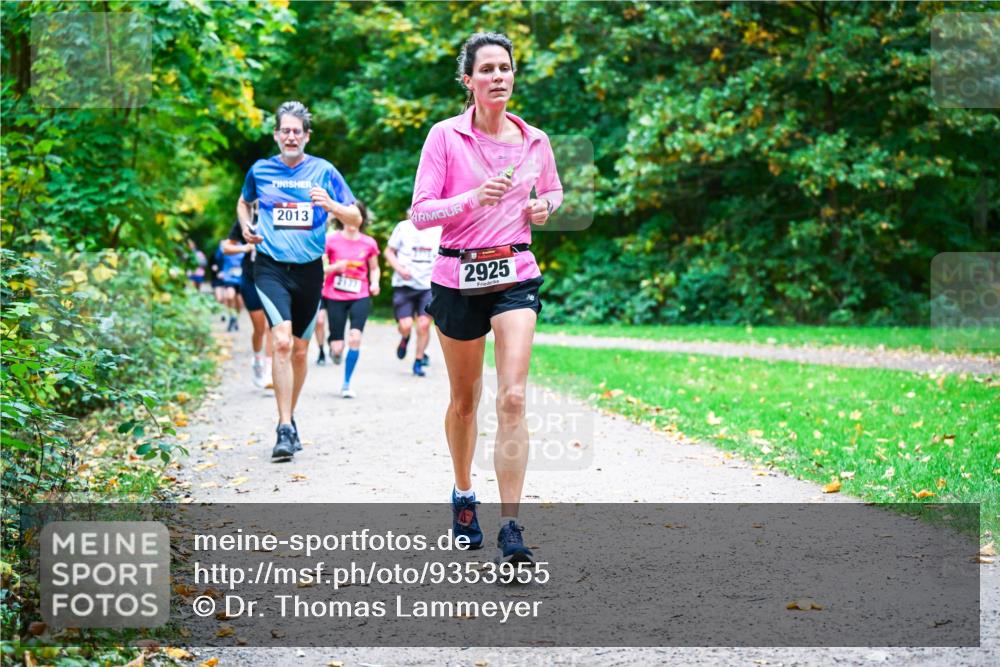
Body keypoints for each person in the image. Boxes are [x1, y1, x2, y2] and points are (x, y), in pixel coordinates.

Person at [410, 33, 562, 564]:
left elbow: (553, 190)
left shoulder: (535, 140)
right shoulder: (444, 136)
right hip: (457, 276)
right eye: (487, 69)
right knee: (465, 400)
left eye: (505, 68)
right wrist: (472, 198)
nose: (498, 76)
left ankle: (511, 526)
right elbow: (421, 213)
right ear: (469, 80)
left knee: (513, 397)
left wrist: (545, 208)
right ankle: (463, 493)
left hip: (515, 271)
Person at [236, 100, 362, 462]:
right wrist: (246, 226)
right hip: (270, 267)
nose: (291, 137)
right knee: (281, 341)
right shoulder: (260, 170)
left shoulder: (324, 171)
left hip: (309, 270)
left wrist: (332, 206)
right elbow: (244, 203)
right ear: (276, 135)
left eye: (297, 131)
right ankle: (284, 427)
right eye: (285, 131)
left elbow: (355, 217)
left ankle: (290, 416)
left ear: (307, 136)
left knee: (301, 350)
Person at [322, 200, 380, 398]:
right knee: (338, 347)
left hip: (360, 295)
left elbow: (374, 268)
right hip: (334, 295)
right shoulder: (330, 240)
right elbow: (320, 269)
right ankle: (334, 348)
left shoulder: (369, 243)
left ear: (361, 218)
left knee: (355, 338)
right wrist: (335, 268)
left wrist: (375, 283)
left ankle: (346, 384)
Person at [384, 210, 441, 376]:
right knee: (406, 325)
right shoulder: (403, 227)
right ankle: (405, 337)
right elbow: (388, 252)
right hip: (405, 284)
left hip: (428, 285)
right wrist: (399, 269)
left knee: (423, 324)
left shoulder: (438, 229)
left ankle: (418, 361)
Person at [222, 215, 272, 389]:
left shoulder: (278, 214)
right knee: (259, 329)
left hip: (274, 279)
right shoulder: (247, 220)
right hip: (251, 279)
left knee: (271, 326)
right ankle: (258, 360)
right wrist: (246, 247)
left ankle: (269, 371)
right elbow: (226, 247)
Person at [217, 240, 245, 332]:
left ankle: (236, 318)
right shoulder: (225, 245)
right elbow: (218, 258)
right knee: (230, 296)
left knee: (240, 302)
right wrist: (220, 271)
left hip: (241, 278)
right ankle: (232, 316)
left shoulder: (243, 246)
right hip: (229, 277)